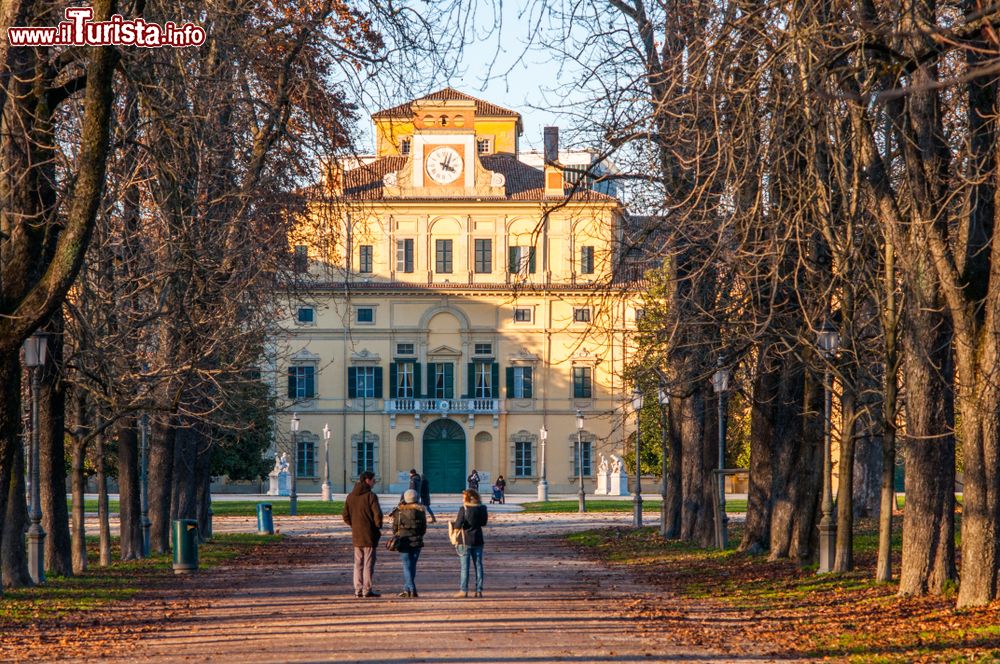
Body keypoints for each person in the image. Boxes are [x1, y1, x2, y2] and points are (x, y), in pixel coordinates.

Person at [342, 471, 383, 598]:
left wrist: (354, 525)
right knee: (368, 563)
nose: (374, 482)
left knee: (358, 562)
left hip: (357, 534)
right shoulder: (371, 496)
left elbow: (345, 516)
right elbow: (378, 515)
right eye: (373, 480)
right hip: (369, 534)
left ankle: (358, 589)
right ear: (367, 480)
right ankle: (367, 589)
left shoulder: (350, 496)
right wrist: (377, 526)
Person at [452, 488, 488, 598]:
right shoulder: (482, 508)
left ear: (467, 497)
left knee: (464, 567)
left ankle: (463, 590)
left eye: (463, 496)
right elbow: (483, 523)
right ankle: (479, 590)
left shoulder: (464, 509)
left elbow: (458, 525)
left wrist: (454, 525)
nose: (462, 499)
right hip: (478, 539)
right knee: (478, 565)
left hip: (464, 540)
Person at [392, 489, 427, 598]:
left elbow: (394, 528)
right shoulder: (421, 511)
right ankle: (408, 589)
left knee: (406, 565)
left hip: (403, 540)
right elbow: (423, 528)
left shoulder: (399, 512)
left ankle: (410, 589)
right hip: (417, 541)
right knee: (412, 565)